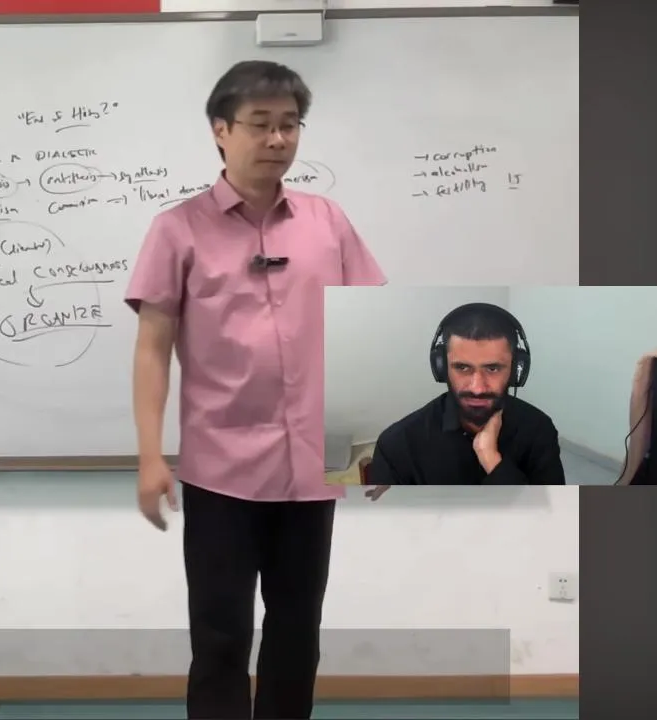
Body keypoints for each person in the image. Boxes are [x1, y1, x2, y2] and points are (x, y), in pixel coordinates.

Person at [126, 61, 386, 720]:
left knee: (298, 634)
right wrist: (151, 456)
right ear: (221, 130)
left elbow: (371, 331)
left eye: (290, 125)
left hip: (315, 465)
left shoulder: (328, 222)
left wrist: (381, 442)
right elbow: (152, 348)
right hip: (222, 471)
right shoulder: (177, 229)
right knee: (220, 637)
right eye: (260, 124)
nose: (277, 139)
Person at [363, 302, 566, 493]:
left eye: (493, 368)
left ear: (516, 371)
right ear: (442, 368)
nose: (477, 388)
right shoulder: (397, 444)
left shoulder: (539, 429)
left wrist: (492, 460)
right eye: (462, 367)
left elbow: (550, 513)